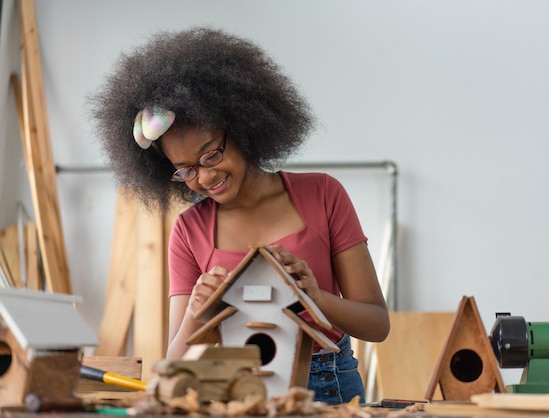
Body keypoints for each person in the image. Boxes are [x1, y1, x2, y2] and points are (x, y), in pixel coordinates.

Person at [89, 26, 390, 405]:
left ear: (244, 127)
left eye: (211, 154)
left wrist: (315, 299)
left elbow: (377, 325)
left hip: (327, 388)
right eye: (185, 170)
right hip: (232, 392)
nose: (205, 176)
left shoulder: (323, 194)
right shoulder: (188, 231)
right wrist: (198, 312)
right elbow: (175, 366)